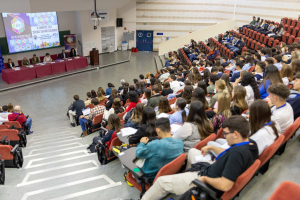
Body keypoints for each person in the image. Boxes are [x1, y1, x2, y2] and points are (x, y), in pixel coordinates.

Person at [141, 116, 258, 200]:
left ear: (236, 134)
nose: (225, 137)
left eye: (226, 134)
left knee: (161, 182)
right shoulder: (250, 144)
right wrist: (211, 147)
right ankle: (182, 180)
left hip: (205, 179)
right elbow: (227, 153)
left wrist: (205, 179)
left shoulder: (236, 154)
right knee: (192, 151)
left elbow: (226, 184)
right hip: (212, 167)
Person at [133, 118, 183, 183]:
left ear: (158, 130)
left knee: (135, 162)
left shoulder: (155, 144)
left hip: (152, 177)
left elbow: (139, 154)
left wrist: (142, 143)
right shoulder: (180, 142)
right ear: (170, 128)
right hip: (169, 173)